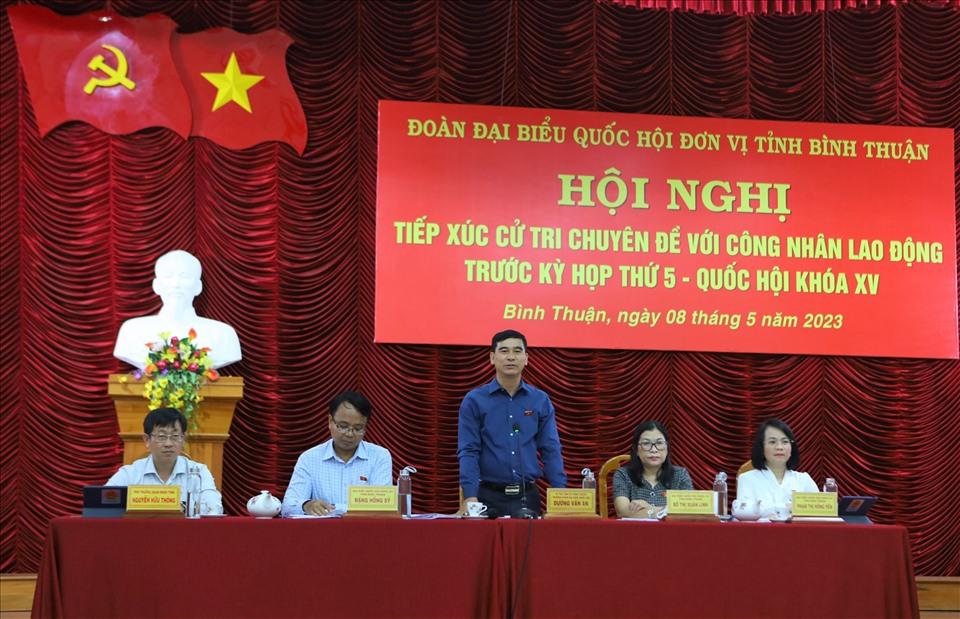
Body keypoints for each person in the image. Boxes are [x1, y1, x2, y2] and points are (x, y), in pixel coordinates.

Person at [457, 329, 567, 518]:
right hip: (487, 496)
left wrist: (560, 494)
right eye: (504, 351)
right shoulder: (474, 400)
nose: (511, 357)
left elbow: (550, 449)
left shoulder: (539, 400)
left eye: (517, 351)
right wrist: (470, 496)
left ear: (526, 358)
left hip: (527, 496)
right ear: (492, 358)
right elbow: (469, 450)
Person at [114, 250, 241, 370]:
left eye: (185, 276)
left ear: (198, 286)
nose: (176, 284)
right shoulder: (132, 331)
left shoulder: (223, 334)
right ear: (156, 285)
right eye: (169, 276)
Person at [281, 391, 393, 516]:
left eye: (358, 429)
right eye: (343, 426)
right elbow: (288, 507)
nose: (349, 434)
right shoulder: (309, 458)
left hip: (363, 528)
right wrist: (306, 505)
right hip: (323, 528)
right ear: (330, 421)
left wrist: (333, 509)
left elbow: (383, 507)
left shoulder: (379, 457)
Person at [106, 407, 222, 513]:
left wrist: (183, 508)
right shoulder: (129, 474)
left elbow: (215, 508)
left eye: (175, 436)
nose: (168, 444)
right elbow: (104, 505)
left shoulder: (199, 472)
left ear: (183, 438)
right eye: (161, 436)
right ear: (147, 440)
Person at [736, 418, 818, 515]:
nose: (779, 447)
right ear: (761, 447)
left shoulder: (804, 480)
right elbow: (744, 517)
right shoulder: (747, 479)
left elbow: (820, 515)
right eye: (772, 442)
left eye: (785, 442)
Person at [613, 420, 693, 518]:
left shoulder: (680, 474)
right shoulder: (623, 474)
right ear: (636, 450)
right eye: (646, 443)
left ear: (667, 448)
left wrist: (650, 508)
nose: (654, 450)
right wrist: (663, 511)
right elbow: (622, 511)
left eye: (659, 443)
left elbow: (688, 510)